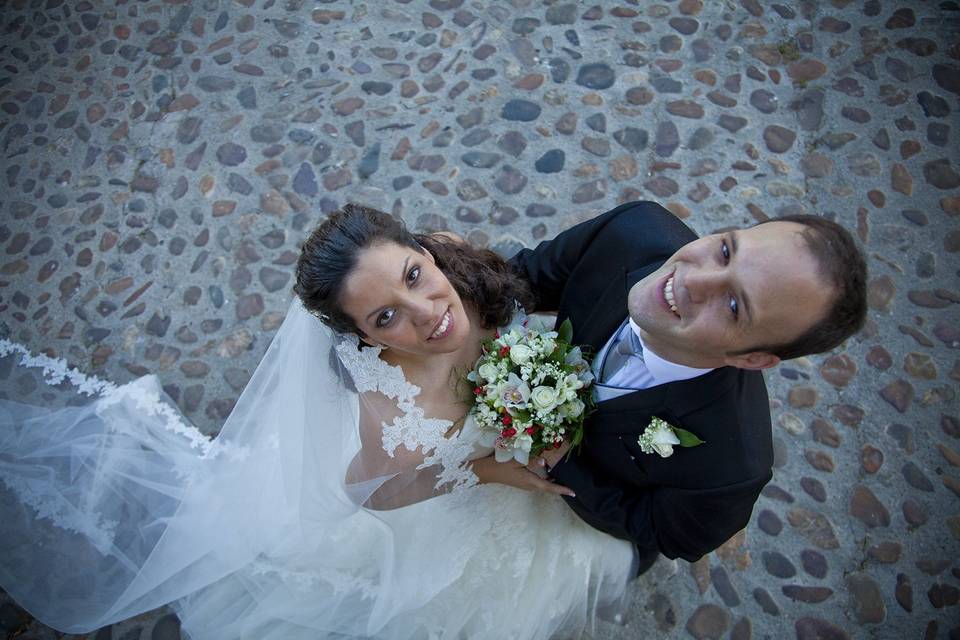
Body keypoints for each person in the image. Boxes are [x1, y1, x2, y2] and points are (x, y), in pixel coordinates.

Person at [0, 204, 634, 640]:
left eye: (414, 275)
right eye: (385, 319)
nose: (427, 312)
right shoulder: (392, 413)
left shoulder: (451, 255)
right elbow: (374, 494)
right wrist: (491, 469)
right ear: (361, 335)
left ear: (422, 250)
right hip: (471, 504)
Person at [506, 199, 868, 574]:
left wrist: (563, 463)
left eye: (733, 306)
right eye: (726, 251)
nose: (690, 280)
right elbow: (521, 279)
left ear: (752, 359)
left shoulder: (732, 469)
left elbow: (663, 532)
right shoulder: (633, 231)